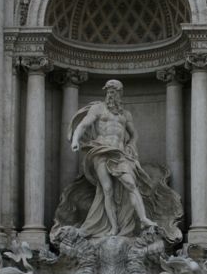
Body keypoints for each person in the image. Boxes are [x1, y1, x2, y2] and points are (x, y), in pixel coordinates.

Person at [68, 79, 158, 237]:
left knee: (131, 184)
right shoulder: (97, 109)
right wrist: (75, 140)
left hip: (119, 153)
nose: (110, 94)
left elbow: (134, 134)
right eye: (108, 91)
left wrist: (132, 145)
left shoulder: (126, 114)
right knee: (107, 189)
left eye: (114, 91)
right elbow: (83, 125)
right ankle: (113, 227)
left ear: (120, 93)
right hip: (101, 150)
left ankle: (143, 218)